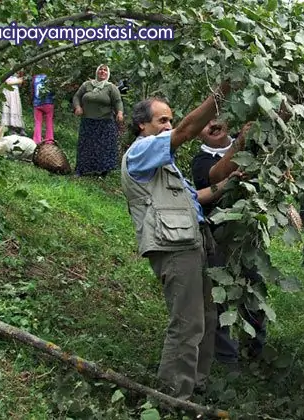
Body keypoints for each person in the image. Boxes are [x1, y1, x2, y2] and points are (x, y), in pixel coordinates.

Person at [120, 81, 241, 400]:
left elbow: (195, 198)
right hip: (173, 248)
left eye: (170, 120)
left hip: (192, 242)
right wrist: (221, 93)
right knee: (187, 323)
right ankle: (173, 397)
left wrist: (228, 183)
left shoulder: (164, 164)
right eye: (162, 120)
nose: (169, 126)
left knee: (205, 318)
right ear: (141, 125)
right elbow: (188, 131)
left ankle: (196, 385)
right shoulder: (142, 150)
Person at [191, 119, 266, 366]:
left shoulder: (254, 143)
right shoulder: (201, 160)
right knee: (220, 297)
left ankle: (257, 351)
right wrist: (240, 144)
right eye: (205, 124)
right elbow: (215, 177)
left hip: (250, 235)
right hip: (219, 237)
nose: (211, 125)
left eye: (216, 119)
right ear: (197, 134)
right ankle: (227, 361)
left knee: (254, 289)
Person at [72, 64, 124, 177]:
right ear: (97, 71)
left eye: (105, 70)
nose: (102, 71)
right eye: (100, 69)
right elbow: (76, 97)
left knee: (103, 148)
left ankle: (102, 171)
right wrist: (78, 107)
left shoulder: (111, 87)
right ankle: (81, 170)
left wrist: (119, 113)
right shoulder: (86, 85)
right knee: (85, 146)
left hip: (104, 122)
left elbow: (118, 102)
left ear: (108, 74)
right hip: (88, 121)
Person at [31, 73, 55, 145]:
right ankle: (49, 140)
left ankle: (36, 140)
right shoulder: (50, 77)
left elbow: (33, 90)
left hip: (37, 103)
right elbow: (53, 91)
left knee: (38, 122)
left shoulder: (35, 77)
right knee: (49, 122)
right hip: (48, 103)